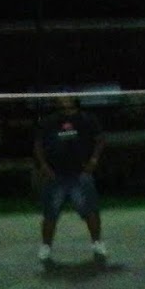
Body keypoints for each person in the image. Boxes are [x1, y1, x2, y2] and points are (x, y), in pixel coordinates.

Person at [34, 95, 107, 264]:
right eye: (61, 97)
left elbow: (100, 140)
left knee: (90, 210)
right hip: (55, 174)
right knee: (50, 213)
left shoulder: (87, 119)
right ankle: (46, 247)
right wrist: (44, 166)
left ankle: (97, 243)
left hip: (80, 173)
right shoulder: (49, 121)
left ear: (74, 98)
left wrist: (93, 160)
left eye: (67, 96)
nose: (64, 99)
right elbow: (38, 144)